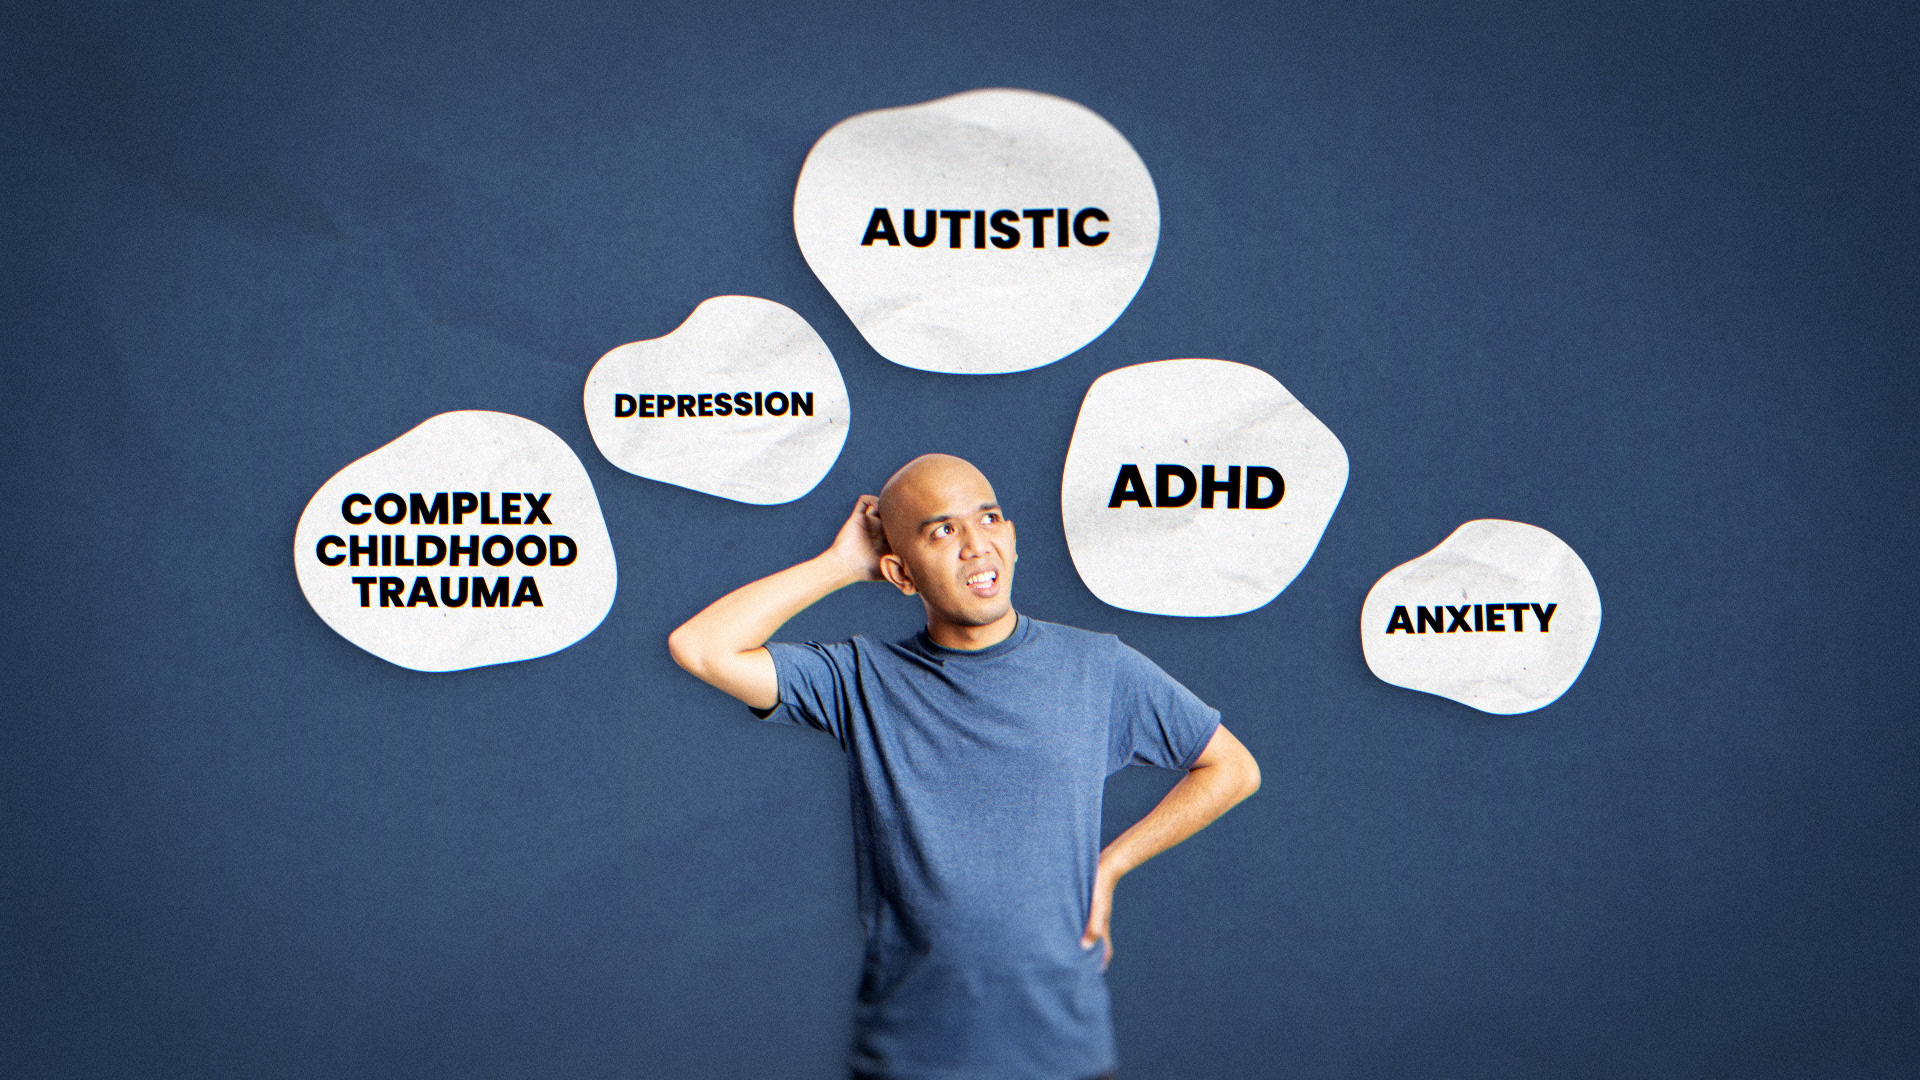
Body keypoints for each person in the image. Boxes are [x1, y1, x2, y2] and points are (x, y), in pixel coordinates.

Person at [669, 454, 1261, 1080]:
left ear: (1012, 537)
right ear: (900, 573)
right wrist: (840, 564)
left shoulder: (1100, 668)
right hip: (910, 1056)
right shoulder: (860, 679)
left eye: (989, 518)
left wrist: (1109, 866)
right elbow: (701, 648)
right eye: (943, 530)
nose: (977, 545)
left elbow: (1232, 768)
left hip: (1064, 1053)